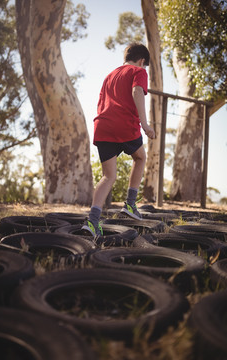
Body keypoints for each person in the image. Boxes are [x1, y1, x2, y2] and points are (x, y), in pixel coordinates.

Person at [82, 43, 155, 236]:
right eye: (144, 65)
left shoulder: (110, 75)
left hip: (103, 125)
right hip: (124, 124)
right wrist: (145, 124)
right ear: (142, 61)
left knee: (108, 176)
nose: (144, 69)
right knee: (140, 158)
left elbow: (101, 102)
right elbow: (137, 91)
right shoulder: (138, 71)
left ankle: (92, 221)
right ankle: (130, 204)